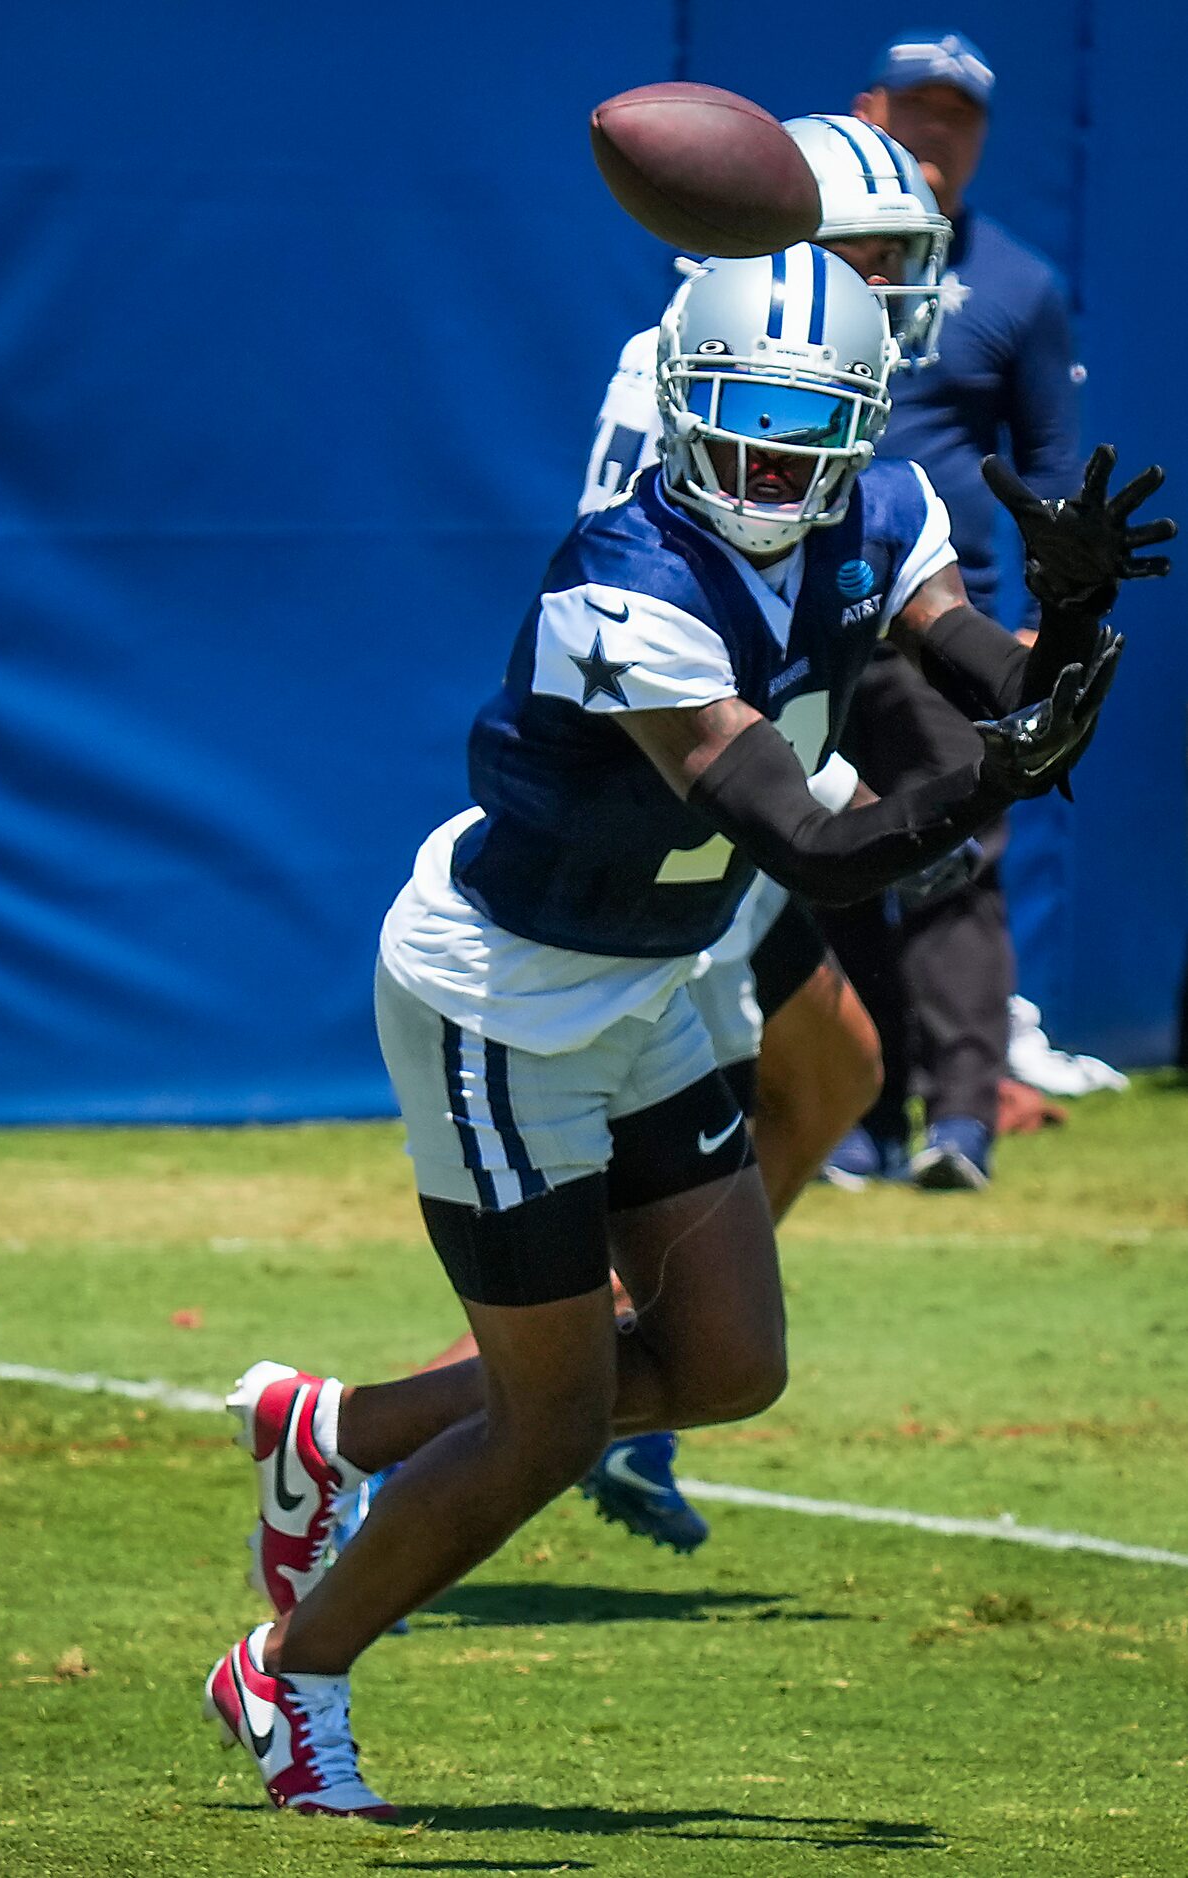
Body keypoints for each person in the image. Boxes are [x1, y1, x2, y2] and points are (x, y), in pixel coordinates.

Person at [199, 243, 1164, 1817]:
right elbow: (815, 844)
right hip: (503, 999)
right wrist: (998, 767)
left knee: (724, 1363)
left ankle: (336, 1428)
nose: (770, 463)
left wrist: (1066, 616)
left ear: (865, 430)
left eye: (806, 430)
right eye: (736, 422)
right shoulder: (620, 578)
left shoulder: (881, 513)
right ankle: (289, 1671)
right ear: (674, 403)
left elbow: (1003, 683)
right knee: (554, 1419)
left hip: (648, 975)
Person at [575, 112, 949, 1537]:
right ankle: (385, 1452)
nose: (888, 287)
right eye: (859, 253)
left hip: (740, 811)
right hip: (681, 828)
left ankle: (640, 1399)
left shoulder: (785, 363)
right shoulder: (704, 371)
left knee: (837, 1072)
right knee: (633, 1236)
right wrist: (830, 781)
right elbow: (667, 615)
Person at [821, 28, 1088, 1190]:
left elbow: (1048, 471)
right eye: (915, 111)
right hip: (808, 622)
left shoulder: (1020, 284)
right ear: (868, 111)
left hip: (946, 619)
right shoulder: (795, 266)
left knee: (953, 856)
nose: (934, 138)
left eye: (959, 119)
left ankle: (961, 1125)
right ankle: (855, 1114)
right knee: (824, 852)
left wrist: (1046, 624)